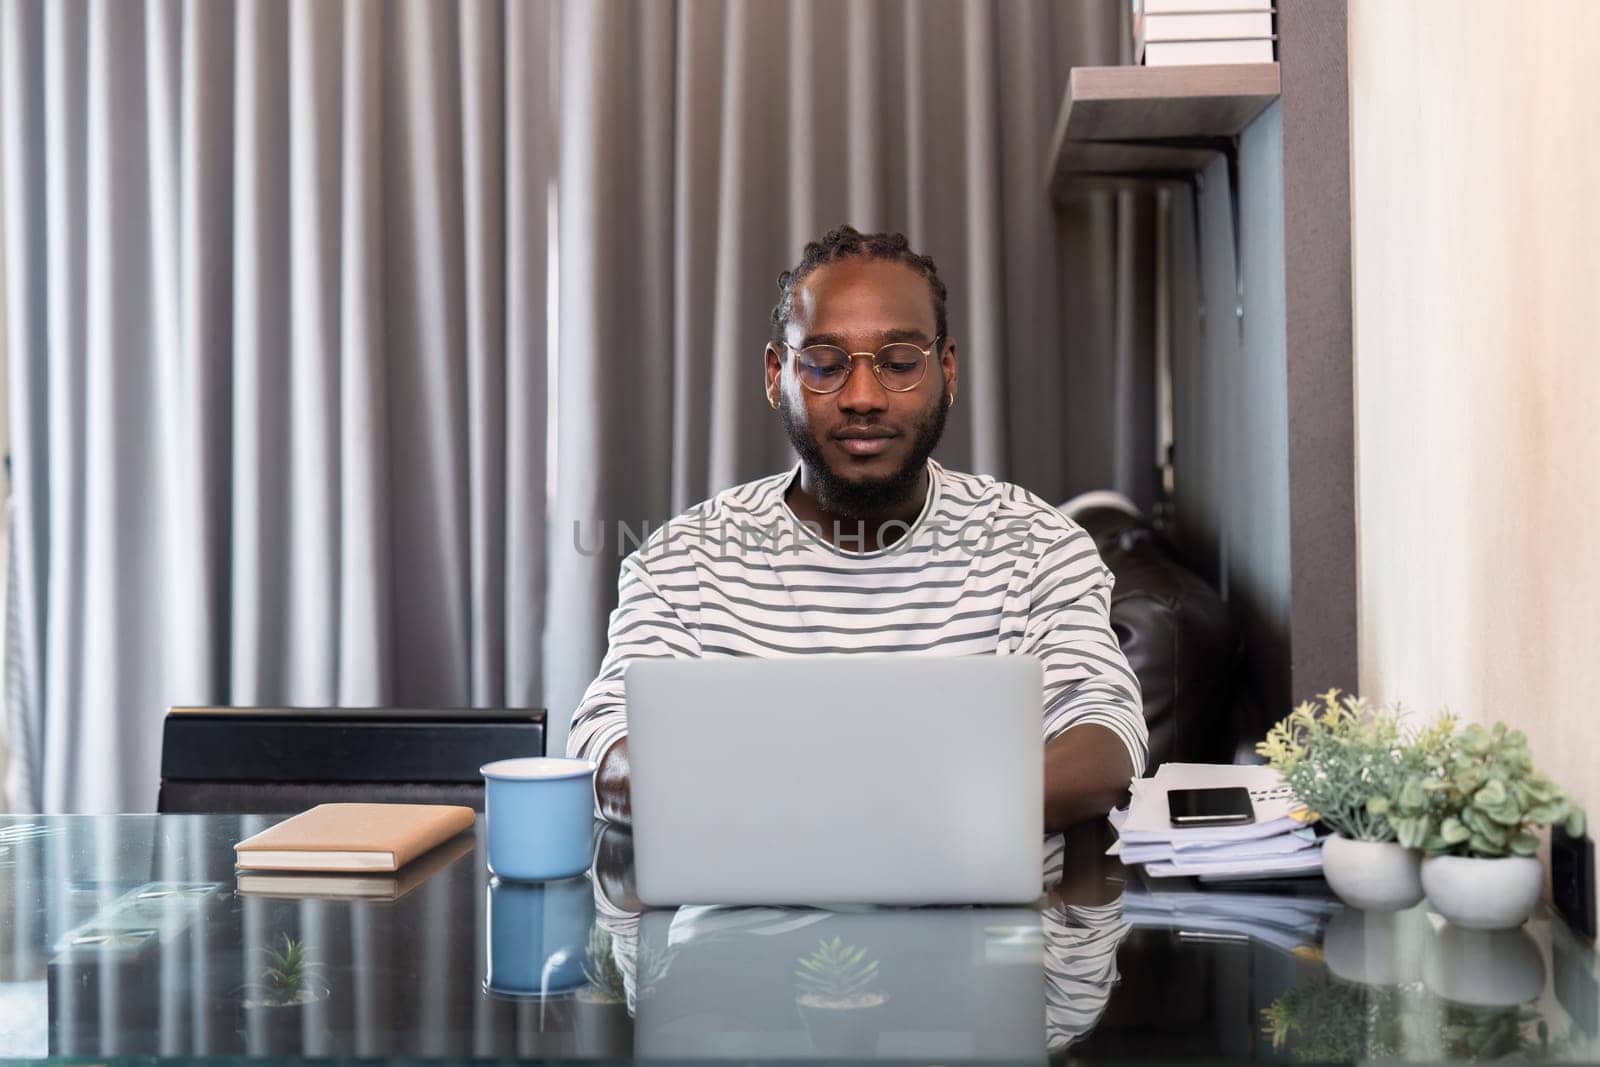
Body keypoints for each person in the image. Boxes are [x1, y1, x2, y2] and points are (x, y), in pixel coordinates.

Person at [567, 225, 1147, 830]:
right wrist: (850, 816)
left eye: (899, 363)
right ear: (776, 375)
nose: (863, 396)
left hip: (988, 918)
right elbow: (605, 743)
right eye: (824, 364)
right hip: (739, 917)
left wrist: (873, 819)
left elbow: (1105, 738)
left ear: (947, 371)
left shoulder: (1038, 547)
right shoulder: (680, 562)